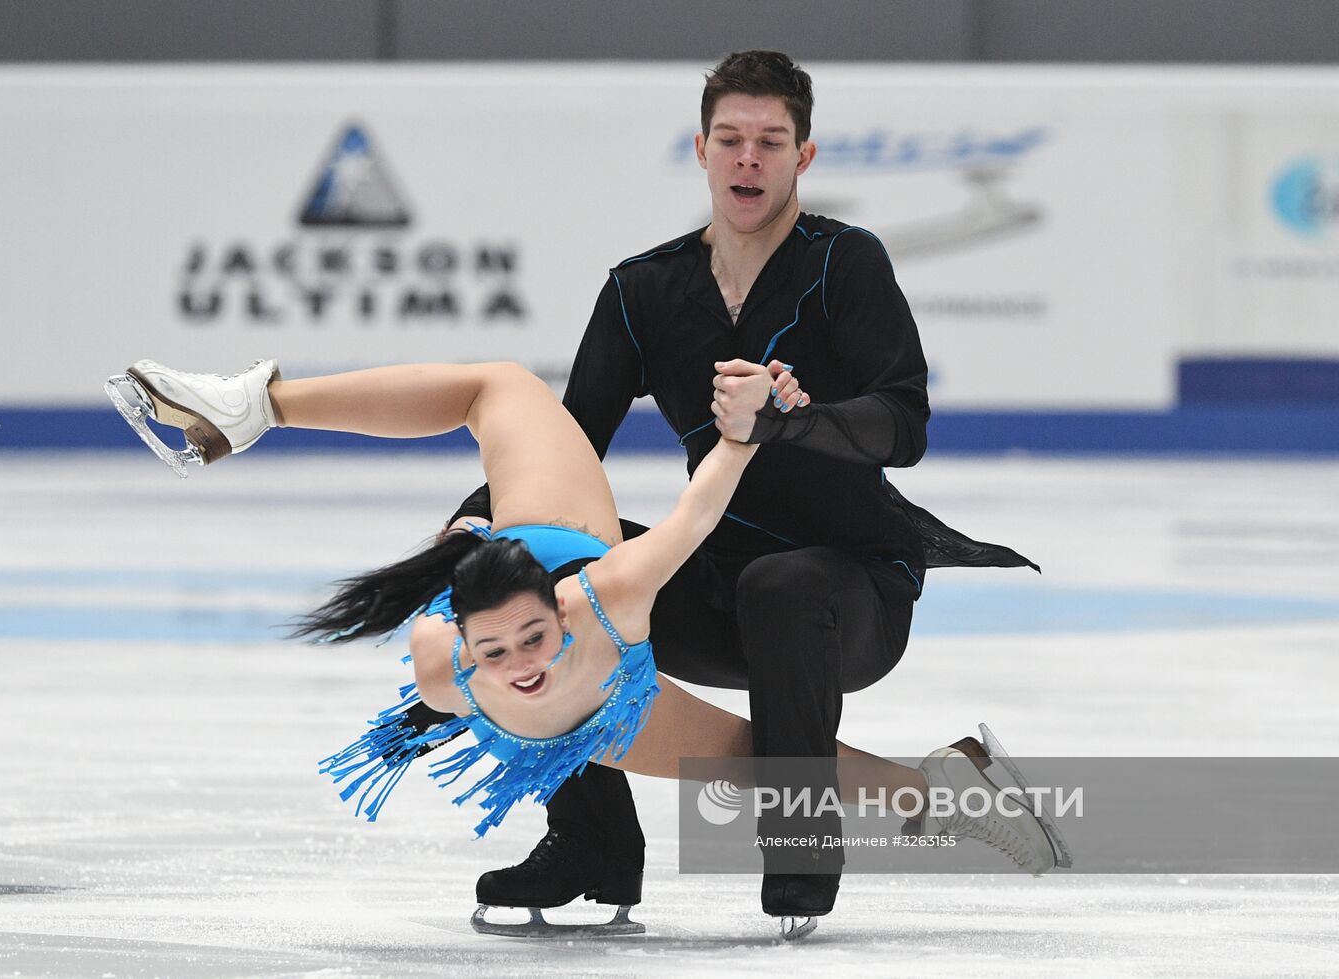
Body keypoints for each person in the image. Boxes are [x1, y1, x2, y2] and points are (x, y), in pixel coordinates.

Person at [107, 356, 1063, 940]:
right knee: (774, 765)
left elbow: (693, 515)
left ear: (559, 613)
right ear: (468, 651)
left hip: (611, 676)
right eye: (499, 649)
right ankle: (952, 788)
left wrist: (746, 433)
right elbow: (457, 633)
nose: (522, 656)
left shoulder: (604, 597)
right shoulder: (449, 671)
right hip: (565, 713)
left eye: (532, 634)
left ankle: (255, 403)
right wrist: (462, 545)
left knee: (502, 388)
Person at [434, 50, 1046, 925]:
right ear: (701, 150)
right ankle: (593, 838)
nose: (748, 159)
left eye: (770, 141)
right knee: (537, 568)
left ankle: (801, 844)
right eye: (731, 140)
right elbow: (567, 445)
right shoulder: (644, 290)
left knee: (782, 583)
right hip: (718, 579)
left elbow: (904, 424)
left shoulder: (846, 262)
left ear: (804, 155)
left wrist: (790, 421)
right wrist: (477, 519)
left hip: (853, 587)